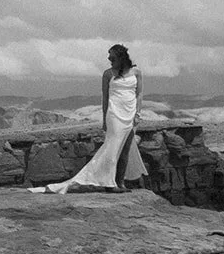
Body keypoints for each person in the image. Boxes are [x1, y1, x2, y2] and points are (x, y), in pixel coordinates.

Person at [33, 44, 148, 193]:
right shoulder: (108, 74)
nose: (109, 59)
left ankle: (120, 183)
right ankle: (109, 183)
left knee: (125, 150)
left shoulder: (136, 72)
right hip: (114, 115)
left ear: (121, 57)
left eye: (112, 56)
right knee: (112, 149)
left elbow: (139, 94)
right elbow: (105, 98)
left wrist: (138, 114)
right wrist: (105, 119)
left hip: (130, 115)